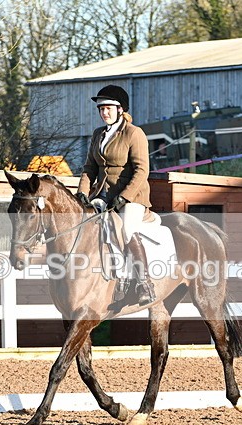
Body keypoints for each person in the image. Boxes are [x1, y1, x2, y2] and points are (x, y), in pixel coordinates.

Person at [76, 85, 156, 306]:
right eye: (101, 109)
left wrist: (126, 196)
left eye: (108, 108)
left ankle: (143, 283)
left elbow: (142, 170)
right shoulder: (97, 134)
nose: (104, 113)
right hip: (102, 194)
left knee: (127, 229)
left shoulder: (134, 133)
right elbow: (89, 168)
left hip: (132, 196)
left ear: (121, 109)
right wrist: (82, 192)